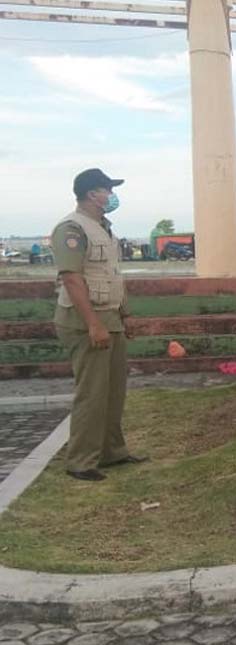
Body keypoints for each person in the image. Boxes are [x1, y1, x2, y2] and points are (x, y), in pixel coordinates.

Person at [52, 168, 147, 481]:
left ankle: (111, 451)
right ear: (93, 193)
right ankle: (80, 460)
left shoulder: (103, 228)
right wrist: (93, 323)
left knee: (113, 391)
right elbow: (71, 277)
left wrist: (126, 315)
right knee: (92, 392)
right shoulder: (72, 228)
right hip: (85, 321)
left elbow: (112, 275)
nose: (111, 195)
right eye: (108, 189)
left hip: (111, 318)